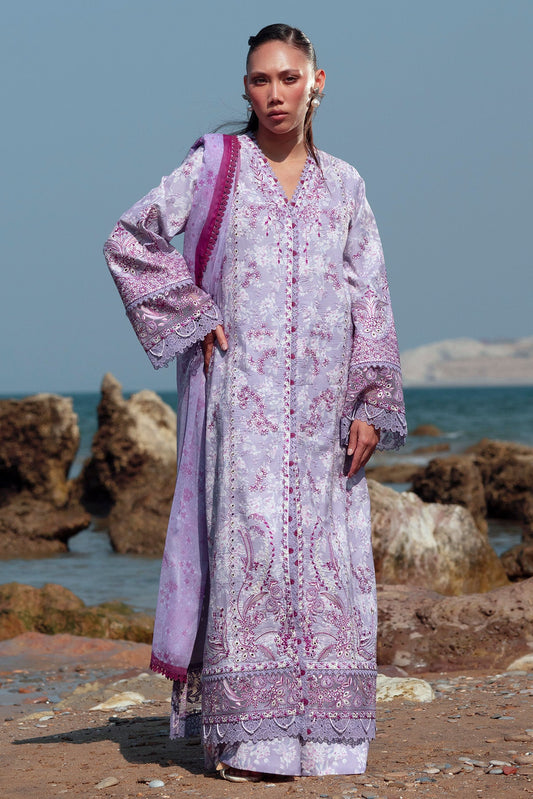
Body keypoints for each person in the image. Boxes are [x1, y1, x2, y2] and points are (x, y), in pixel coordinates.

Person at [104, 23, 406, 781]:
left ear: (316, 84)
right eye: (260, 80)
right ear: (246, 88)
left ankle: (330, 740)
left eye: (288, 78)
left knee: (329, 564)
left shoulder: (346, 185)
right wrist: (192, 310)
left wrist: (371, 402)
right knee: (253, 557)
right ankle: (251, 742)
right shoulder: (216, 167)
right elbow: (131, 239)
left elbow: (370, 298)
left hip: (328, 417)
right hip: (242, 410)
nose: (275, 94)